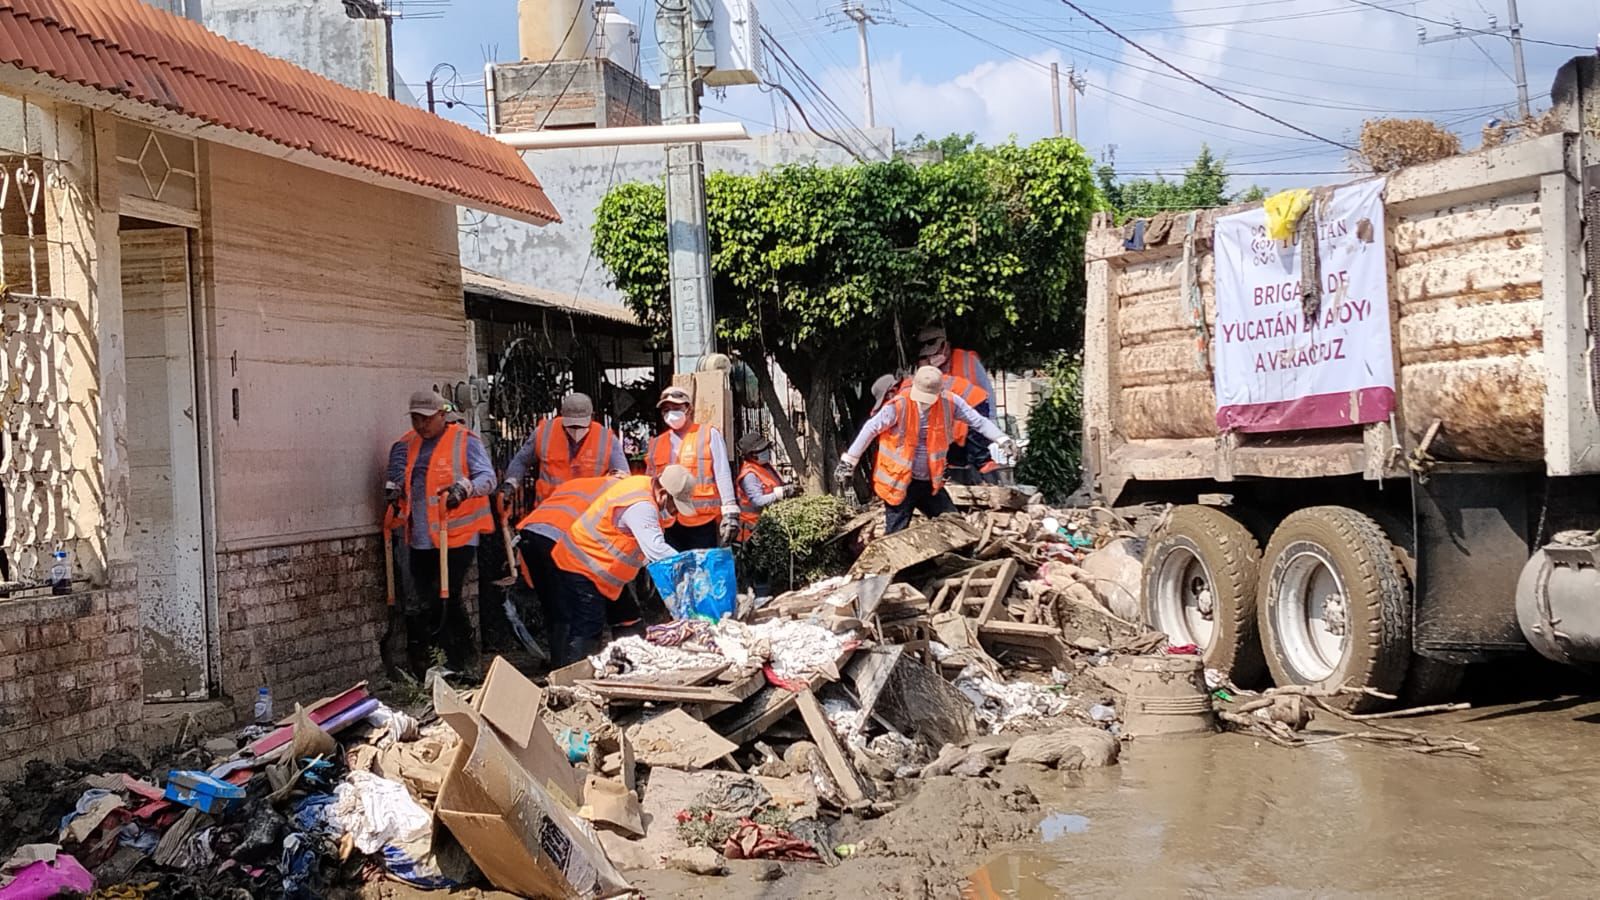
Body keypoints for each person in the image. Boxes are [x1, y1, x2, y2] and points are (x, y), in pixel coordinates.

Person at [384, 390, 496, 675]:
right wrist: (395, 491)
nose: (421, 425)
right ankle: (444, 661)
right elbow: (402, 479)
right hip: (420, 537)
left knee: (445, 594)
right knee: (428, 600)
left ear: (442, 415)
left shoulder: (464, 440)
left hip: (456, 534)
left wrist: (464, 489)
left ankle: (462, 659)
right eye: (416, 419)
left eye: (427, 419)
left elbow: (487, 478)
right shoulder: (408, 444)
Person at [835, 366, 1013, 535]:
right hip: (899, 484)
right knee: (895, 538)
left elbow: (978, 421)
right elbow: (870, 429)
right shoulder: (899, 405)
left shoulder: (950, 403)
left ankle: (955, 556)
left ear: (939, 392)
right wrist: (848, 462)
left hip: (930, 483)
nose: (923, 402)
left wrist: (1002, 439)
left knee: (954, 526)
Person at [550, 466, 696, 662]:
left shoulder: (642, 488)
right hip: (583, 564)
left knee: (628, 617)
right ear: (663, 494)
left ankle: (631, 663)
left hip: (600, 569)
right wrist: (693, 568)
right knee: (588, 625)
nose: (675, 511)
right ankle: (572, 675)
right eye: (675, 505)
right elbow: (656, 550)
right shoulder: (642, 506)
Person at [515, 475, 619, 667]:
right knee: (575, 610)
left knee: (555, 609)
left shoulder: (575, 483)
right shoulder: (619, 493)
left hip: (531, 535)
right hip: (561, 540)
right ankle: (571, 669)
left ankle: (559, 665)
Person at [646, 387, 739, 548]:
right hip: (668, 521)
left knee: (703, 564)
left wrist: (730, 510)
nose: (671, 413)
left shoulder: (708, 435)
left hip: (701, 520)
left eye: (676, 408)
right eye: (666, 410)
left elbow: (722, 473)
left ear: (688, 408)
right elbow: (650, 483)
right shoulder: (656, 444)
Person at [498, 392, 628, 505]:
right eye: (571, 425)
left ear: (592, 417)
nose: (576, 430)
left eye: (580, 426)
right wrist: (511, 483)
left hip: (589, 515)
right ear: (562, 416)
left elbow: (622, 476)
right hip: (548, 511)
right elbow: (521, 461)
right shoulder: (544, 433)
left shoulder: (607, 439)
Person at [917, 324, 1000, 483]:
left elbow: (986, 391)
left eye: (935, 352)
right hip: (953, 422)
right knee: (956, 460)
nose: (933, 357)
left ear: (946, 346)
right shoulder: (929, 372)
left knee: (980, 457)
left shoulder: (966, 361)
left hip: (976, 409)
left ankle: (993, 484)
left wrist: (992, 420)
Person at [734, 432, 796, 542]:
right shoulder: (749, 475)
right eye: (761, 450)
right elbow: (757, 501)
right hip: (752, 532)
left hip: (767, 527)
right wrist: (780, 494)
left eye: (766, 448)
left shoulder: (766, 467)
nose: (766, 452)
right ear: (751, 455)